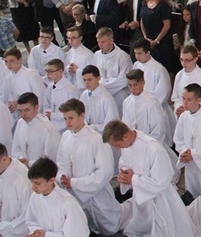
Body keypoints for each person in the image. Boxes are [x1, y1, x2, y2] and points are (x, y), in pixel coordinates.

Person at [103, 120, 201, 236]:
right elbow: (124, 160)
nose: (118, 148)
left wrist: (133, 179)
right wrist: (124, 173)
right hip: (141, 194)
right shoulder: (127, 145)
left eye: (117, 145)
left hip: (161, 196)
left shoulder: (153, 148)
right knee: (143, 223)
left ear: (125, 136)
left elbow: (163, 179)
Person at [56, 98, 123, 235]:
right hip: (74, 193)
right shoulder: (66, 137)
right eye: (64, 118)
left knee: (111, 227)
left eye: (71, 118)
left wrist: (75, 183)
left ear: (82, 115)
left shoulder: (96, 139)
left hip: (96, 195)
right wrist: (62, 176)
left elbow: (105, 172)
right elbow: (61, 161)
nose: (67, 122)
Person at [24, 157, 89, 236]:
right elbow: (31, 222)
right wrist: (36, 233)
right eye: (32, 182)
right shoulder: (35, 197)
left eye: (37, 183)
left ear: (51, 180)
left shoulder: (68, 203)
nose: (33, 187)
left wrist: (46, 235)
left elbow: (75, 234)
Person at [12, 92, 60, 167]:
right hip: (22, 169)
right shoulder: (20, 123)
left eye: (27, 110)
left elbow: (51, 158)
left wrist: (29, 163)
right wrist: (21, 159)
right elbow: (15, 149)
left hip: (41, 172)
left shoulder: (47, 127)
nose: (22, 115)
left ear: (36, 107)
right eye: (20, 111)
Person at [172, 44, 201, 116]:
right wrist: (179, 107)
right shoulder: (179, 75)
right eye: (181, 60)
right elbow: (176, 98)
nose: (183, 63)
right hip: (183, 116)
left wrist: (194, 112)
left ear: (195, 59)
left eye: (187, 60)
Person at [0, 141, 32, 237]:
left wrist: (3, 229)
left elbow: (27, 218)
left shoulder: (21, 179)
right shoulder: (2, 169)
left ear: (4, 159)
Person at [41, 58, 78, 133]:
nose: (48, 74)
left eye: (51, 71)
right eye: (46, 71)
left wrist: (53, 116)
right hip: (53, 124)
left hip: (66, 127)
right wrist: (48, 114)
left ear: (60, 71)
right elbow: (46, 104)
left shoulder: (69, 89)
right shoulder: (51, 86)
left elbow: (73, 111)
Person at [64, 25, 94, 90]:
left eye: (73, 37)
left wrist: (77, 70)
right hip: (71, 85)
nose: (70, 40)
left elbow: (92, 73)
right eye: (68, 38)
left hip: (84, 88)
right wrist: (68, 68)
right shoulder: (69, 52)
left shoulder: (88, 54)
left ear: (80, 38)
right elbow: (65, 71)